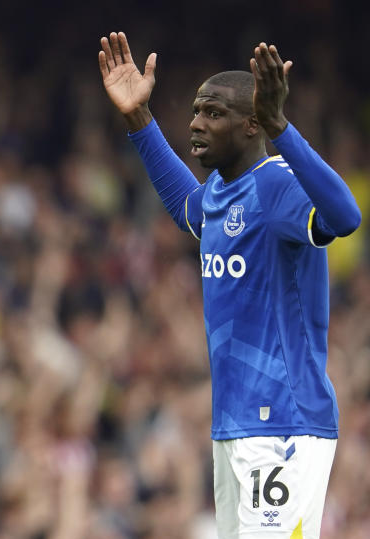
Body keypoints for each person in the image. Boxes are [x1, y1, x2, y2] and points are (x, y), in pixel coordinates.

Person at [98, 32, 361, 537]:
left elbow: (346, 217)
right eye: (197, 110)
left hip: (284, 422)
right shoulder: (220, 191)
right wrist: (139, 119)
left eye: (213, 113)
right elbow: (186, 208)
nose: (196, 122)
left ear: (251, 124)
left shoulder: (278, 184)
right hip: (233, 427)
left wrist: (284, 129)